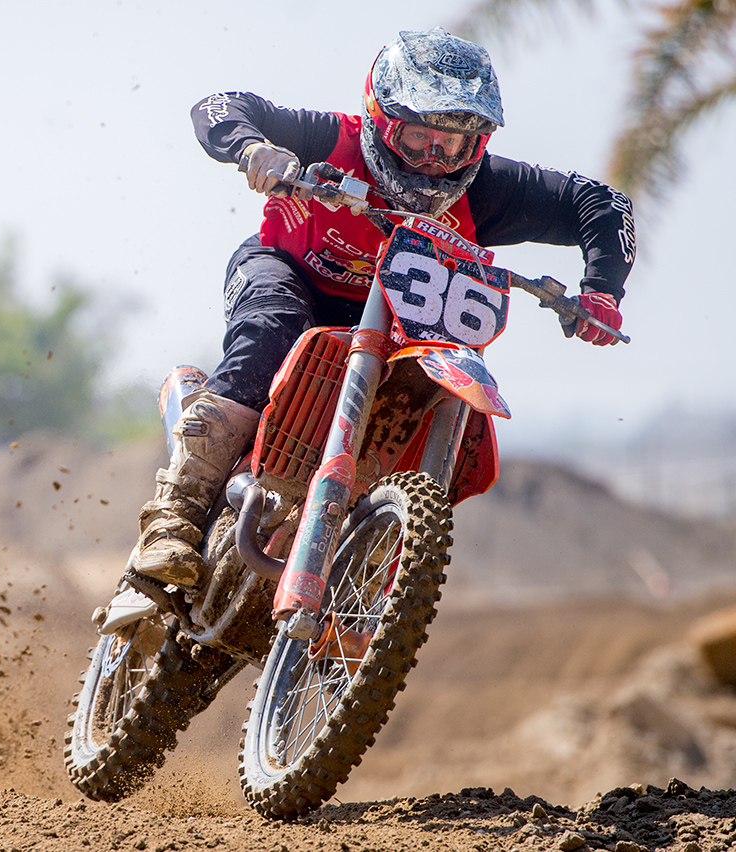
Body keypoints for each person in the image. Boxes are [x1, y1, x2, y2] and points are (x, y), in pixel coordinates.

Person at [130, 26, 635, 589]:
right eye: (419, 137)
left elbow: (601, 200)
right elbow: (219, 105)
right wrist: (255, 148)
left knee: (413, 396)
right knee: (272, 329)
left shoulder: (488, 189)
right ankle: (171, 521)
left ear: (479, 146)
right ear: (380, 118)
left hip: (394, 323)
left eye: (454, 146)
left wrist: (602, 288)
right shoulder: (330, 139)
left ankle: (362, 560)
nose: (433, 159)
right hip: (289, 272)